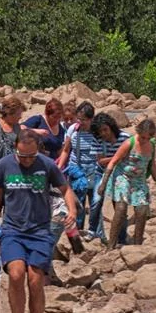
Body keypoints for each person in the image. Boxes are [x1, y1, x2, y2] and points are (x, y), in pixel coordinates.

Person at [0, 131, 76, 313]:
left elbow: (65, 189)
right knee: (15, 275)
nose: (26, 161)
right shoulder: (5, 165)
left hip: (40, 231)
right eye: (22, 156)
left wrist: (72, 211)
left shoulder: (47, 165)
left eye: (30, 156)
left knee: (35, 280)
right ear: (15, 149)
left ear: (38, 150)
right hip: (13, 230)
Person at [98, 119, 156, 249]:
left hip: (139, 180)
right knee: (121, 209)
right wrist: (104, 183)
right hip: (122, 177)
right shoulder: (129, 143)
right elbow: (113, 162)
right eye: (142, 137)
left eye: (148, 138)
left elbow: (152, 166)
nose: (144, 140)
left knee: (142, 211)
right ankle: (111, 246)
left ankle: (137, 246)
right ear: (138, 132)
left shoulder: (151, 145)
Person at [57, 102, 102, 238]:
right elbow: (66, 150)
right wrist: (59, 169)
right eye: (79, 119)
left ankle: (95, 233)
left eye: (84, 120)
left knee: (96, 201)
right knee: (78, 204)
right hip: (76, 170)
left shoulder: (98, 132)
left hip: (94, 170)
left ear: (91, 119)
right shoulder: (73, 130)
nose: (80, 122)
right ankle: (77, 235)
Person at [91, 113, 130, 245]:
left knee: (119, 207)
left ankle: (121, 238)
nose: (103, 133)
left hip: (120, 175)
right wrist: (118, 156)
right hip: (102, 172)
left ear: (111, 127)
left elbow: (130, 157)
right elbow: (100, 161)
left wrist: (115, 159)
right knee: (96, 201)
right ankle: (94, 232)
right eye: (100, 131)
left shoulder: (124, 138)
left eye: (105, 130)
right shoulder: (98, 140)